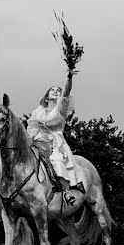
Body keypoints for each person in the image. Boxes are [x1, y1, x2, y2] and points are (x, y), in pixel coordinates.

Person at [27, 71, 79, 205]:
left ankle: (66, 191)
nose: (56, 91)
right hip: (38, 142)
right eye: (52, 90)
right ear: (46, 97)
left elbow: (66, 92)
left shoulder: (61, 109)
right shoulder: (38, 112)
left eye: (58, 90)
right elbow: (32, 130)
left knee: (56, 161)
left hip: (55, 144)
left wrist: (69, 78)